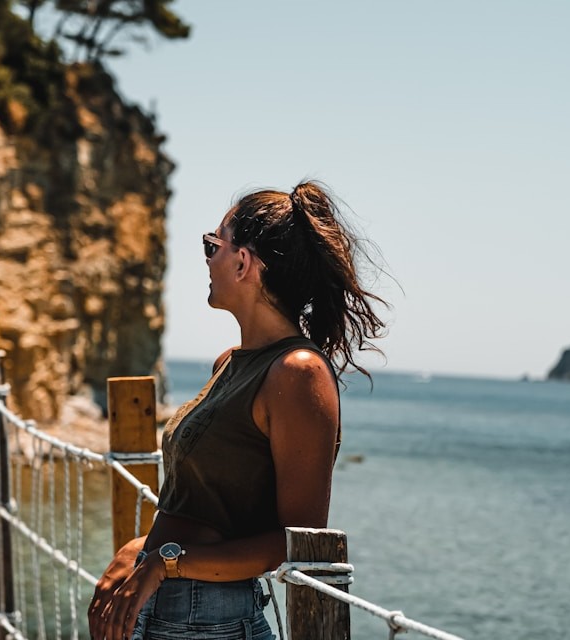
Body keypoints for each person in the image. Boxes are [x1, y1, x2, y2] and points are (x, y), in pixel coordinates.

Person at [88, 181, 386, 640]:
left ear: (243, 261)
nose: (207, 259)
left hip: (212, 621)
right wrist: (141, 551)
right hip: (165, 608)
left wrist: (165, 562)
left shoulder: (297, 372)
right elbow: (195, 507)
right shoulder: (229, 363)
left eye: (213, 245)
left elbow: (297, 541)